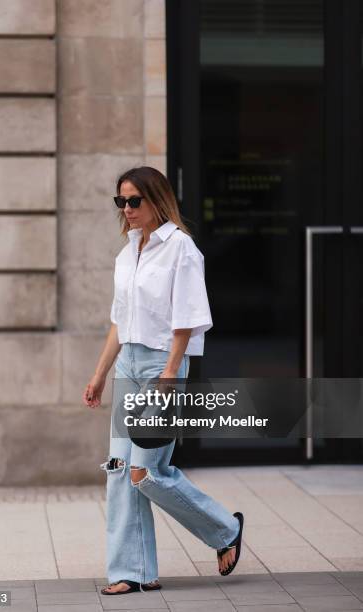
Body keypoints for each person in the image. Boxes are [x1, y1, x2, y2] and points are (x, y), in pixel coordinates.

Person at [82, 166, 244, 595]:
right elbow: (120, 321)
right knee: (119, 470)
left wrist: (171, 374)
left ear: (157, 199)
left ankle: (224, 529)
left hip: (160, 368)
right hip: (128, 367)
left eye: (135, 200)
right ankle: (130, 572)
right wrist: (99, 374)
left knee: (146, 472)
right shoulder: (127, 253)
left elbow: (186, 320)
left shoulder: (181, 249)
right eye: (122, 201)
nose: (128, 210)